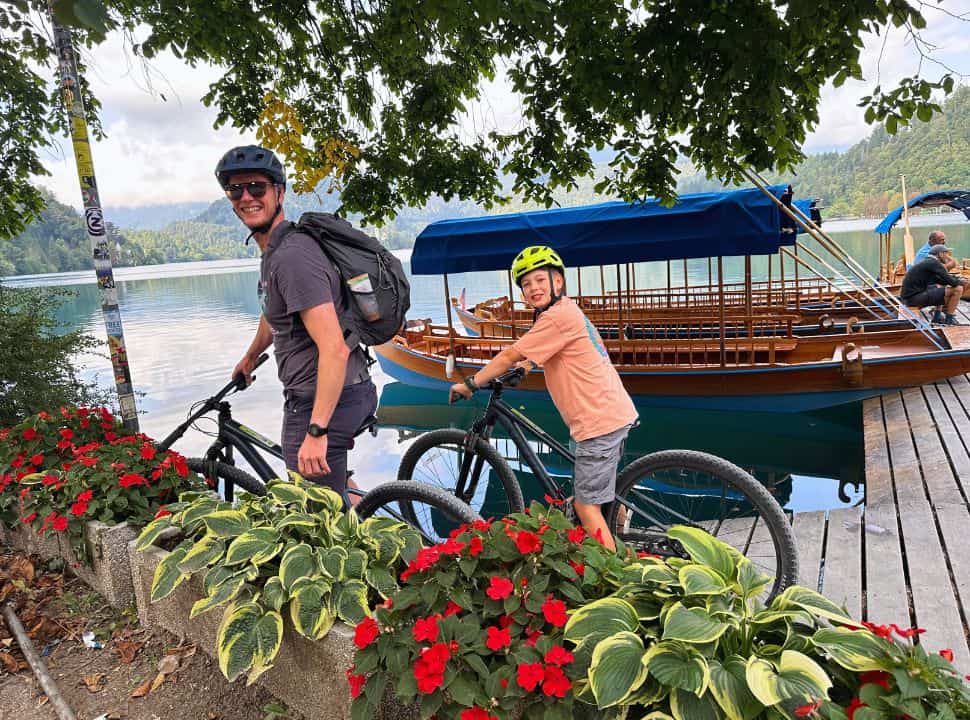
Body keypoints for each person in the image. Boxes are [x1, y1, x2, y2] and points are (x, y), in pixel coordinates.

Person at [448, 246, 638, 551]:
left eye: (540, 280)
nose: (533, 288)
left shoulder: (556, 318)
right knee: (600, 491)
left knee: (585, 507)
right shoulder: (563, 311)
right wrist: (527, 365)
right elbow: (546, 349)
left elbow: (510, 353)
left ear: (558, 282)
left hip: (598, 422)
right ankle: (621, 530)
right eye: (526, 284)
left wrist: (471, 382)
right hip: (611, 412)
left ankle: (615, 576)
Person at [219, 145, 377, 499]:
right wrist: (250, 356)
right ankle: (362, 512)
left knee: (314, 513)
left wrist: (317, 432)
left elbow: (334, 347)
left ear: (279, 192)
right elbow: (274, 314)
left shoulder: (292, 257)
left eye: (257, 187)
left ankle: (384, 550)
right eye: (236, 190)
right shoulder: (275, 251)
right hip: (346, 390)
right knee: (334, 488)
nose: (246, 197)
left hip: (322, 401)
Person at [900, 244, 964, 325]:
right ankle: (949, 320)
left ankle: (937, 316)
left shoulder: (928, 261)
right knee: (958, 289)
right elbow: (952, 282)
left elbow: (940, 280)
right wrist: (961, 282)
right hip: (913, 299)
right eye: (946, 253)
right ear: (940, 254)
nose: (948, 256)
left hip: (908, 298)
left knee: (941, 286)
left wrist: (955, 280)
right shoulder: (934, 263)